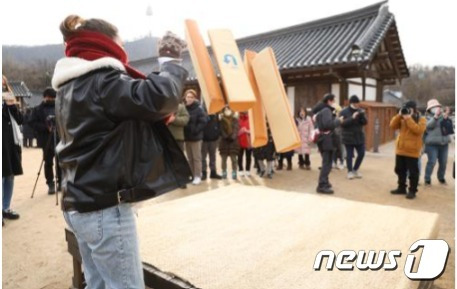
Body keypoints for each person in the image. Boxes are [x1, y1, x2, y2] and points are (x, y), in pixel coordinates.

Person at [53, 15, 190, 289]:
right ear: (107, 44)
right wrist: (170, 62)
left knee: (98, 284)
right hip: (105, 207)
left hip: (78, 203)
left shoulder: (68, 86)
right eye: (122, 43)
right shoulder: (103, 81)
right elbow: (158, 97)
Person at [389, 101, 426, 199]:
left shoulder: (421, 119)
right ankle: (401, 188)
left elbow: (418, 130)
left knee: (413, 173)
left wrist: (408, 118)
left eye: (409, 108)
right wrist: (399, 115)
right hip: (400, 149)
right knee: (399, 170)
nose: (407, 110)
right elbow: (392, 126)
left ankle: (412, 191)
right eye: (406, 108)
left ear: (414, 109)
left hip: (412, 151)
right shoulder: (401, 118)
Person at [30, 88, 62, 194]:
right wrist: (46, 127)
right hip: (45, 139)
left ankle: (61, 182)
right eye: (49, 98)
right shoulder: (37, 109)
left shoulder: (59, 107)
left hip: (59, 138)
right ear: (44, 97)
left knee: (60, 161)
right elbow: (32, 123)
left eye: (53, 98)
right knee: (48, 162)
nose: (51, 100)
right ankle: (50, 184)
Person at [312, 93, 342, 194]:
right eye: (333, 101)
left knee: (327, 162)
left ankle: (325, 182)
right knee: (327, 163)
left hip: (324, 139)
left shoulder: (323, 110)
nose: (335, 103)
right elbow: (327, 125)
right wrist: (338, 121)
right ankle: (322, 185)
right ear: (329, 101)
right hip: (326, 139)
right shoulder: (326, 110)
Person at [2, 81, 23, 224]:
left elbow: (21, 120)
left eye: (4, 86)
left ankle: (6, 208)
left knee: (9, 176)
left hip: (10, 145)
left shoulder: (9, 104)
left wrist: (13, 106)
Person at [424, 99, 453, 185]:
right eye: (433, 107)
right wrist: (435, 117)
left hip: (444, 143)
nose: (435, 108)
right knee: (432, 162)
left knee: (443, 162)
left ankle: (441, 177)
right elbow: (429, 126)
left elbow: (449, 128)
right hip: (431, 144)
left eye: (437, 107)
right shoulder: (426, 117)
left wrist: (446, 117)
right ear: (429, 109)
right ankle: (427, 178)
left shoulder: (444, 116)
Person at [340, 95, 367, 179]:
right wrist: (352, 117)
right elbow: (342, 124)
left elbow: (365, 123)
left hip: (359, 136)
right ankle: (349, 171)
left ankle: (355, 170)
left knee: (362, 153)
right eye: (356, 103)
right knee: (349, 155)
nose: (357, 104)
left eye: (358, 103)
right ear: (352, 103)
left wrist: (362, 116)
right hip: (348, 136)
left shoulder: (360, 110)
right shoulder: (344, 112)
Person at [184, 89, 208, 185]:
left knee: (196, 158)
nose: (189, 99)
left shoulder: (199, 108)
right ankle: (192, 175)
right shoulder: (184, 108)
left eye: (191, 97)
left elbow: (203, 121)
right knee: (189, 158)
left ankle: (198, 175)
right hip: (187, 137)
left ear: (194, 98)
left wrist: (195, 130)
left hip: (196, 137)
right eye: (187, 97)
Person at [219, 106, 240, 180]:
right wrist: (225, 136)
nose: (227, 111)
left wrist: (232, 137)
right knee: (223, 159)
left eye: (229, 109)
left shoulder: (235, 119)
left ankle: (234, 172)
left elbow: (236, 128)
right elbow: (221, 129)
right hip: (224, 142)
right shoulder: (221, 120)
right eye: (225, 109)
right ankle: (224, 172)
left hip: (233, 142)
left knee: (234, 159)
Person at [201, 109, 222, 180]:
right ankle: (204, 172)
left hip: (213, 140)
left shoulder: (216, 115)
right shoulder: (203, 113)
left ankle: (213, 172)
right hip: (204, 140)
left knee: (213, 157)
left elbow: (219, 126)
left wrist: (217, 135)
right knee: (203, 157)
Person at [238, 111, 253, 176]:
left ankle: (248, 170)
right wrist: (240, 131)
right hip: (239, 141)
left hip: (248, 142)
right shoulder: (237, 120)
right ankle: (240, 169)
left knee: (248, 157)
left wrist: (247, 131)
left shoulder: (250, 120)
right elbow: (235, 130)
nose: (243, 113)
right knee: (239, 156)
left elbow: (253, 130)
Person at [332, 104, 345, 170]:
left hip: (341, 136)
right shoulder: (333, 118)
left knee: (341, 150)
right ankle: (334, 162)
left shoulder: (342, 118)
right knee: (334, 149)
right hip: (334, 135)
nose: (337, 113)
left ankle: (341, 162)